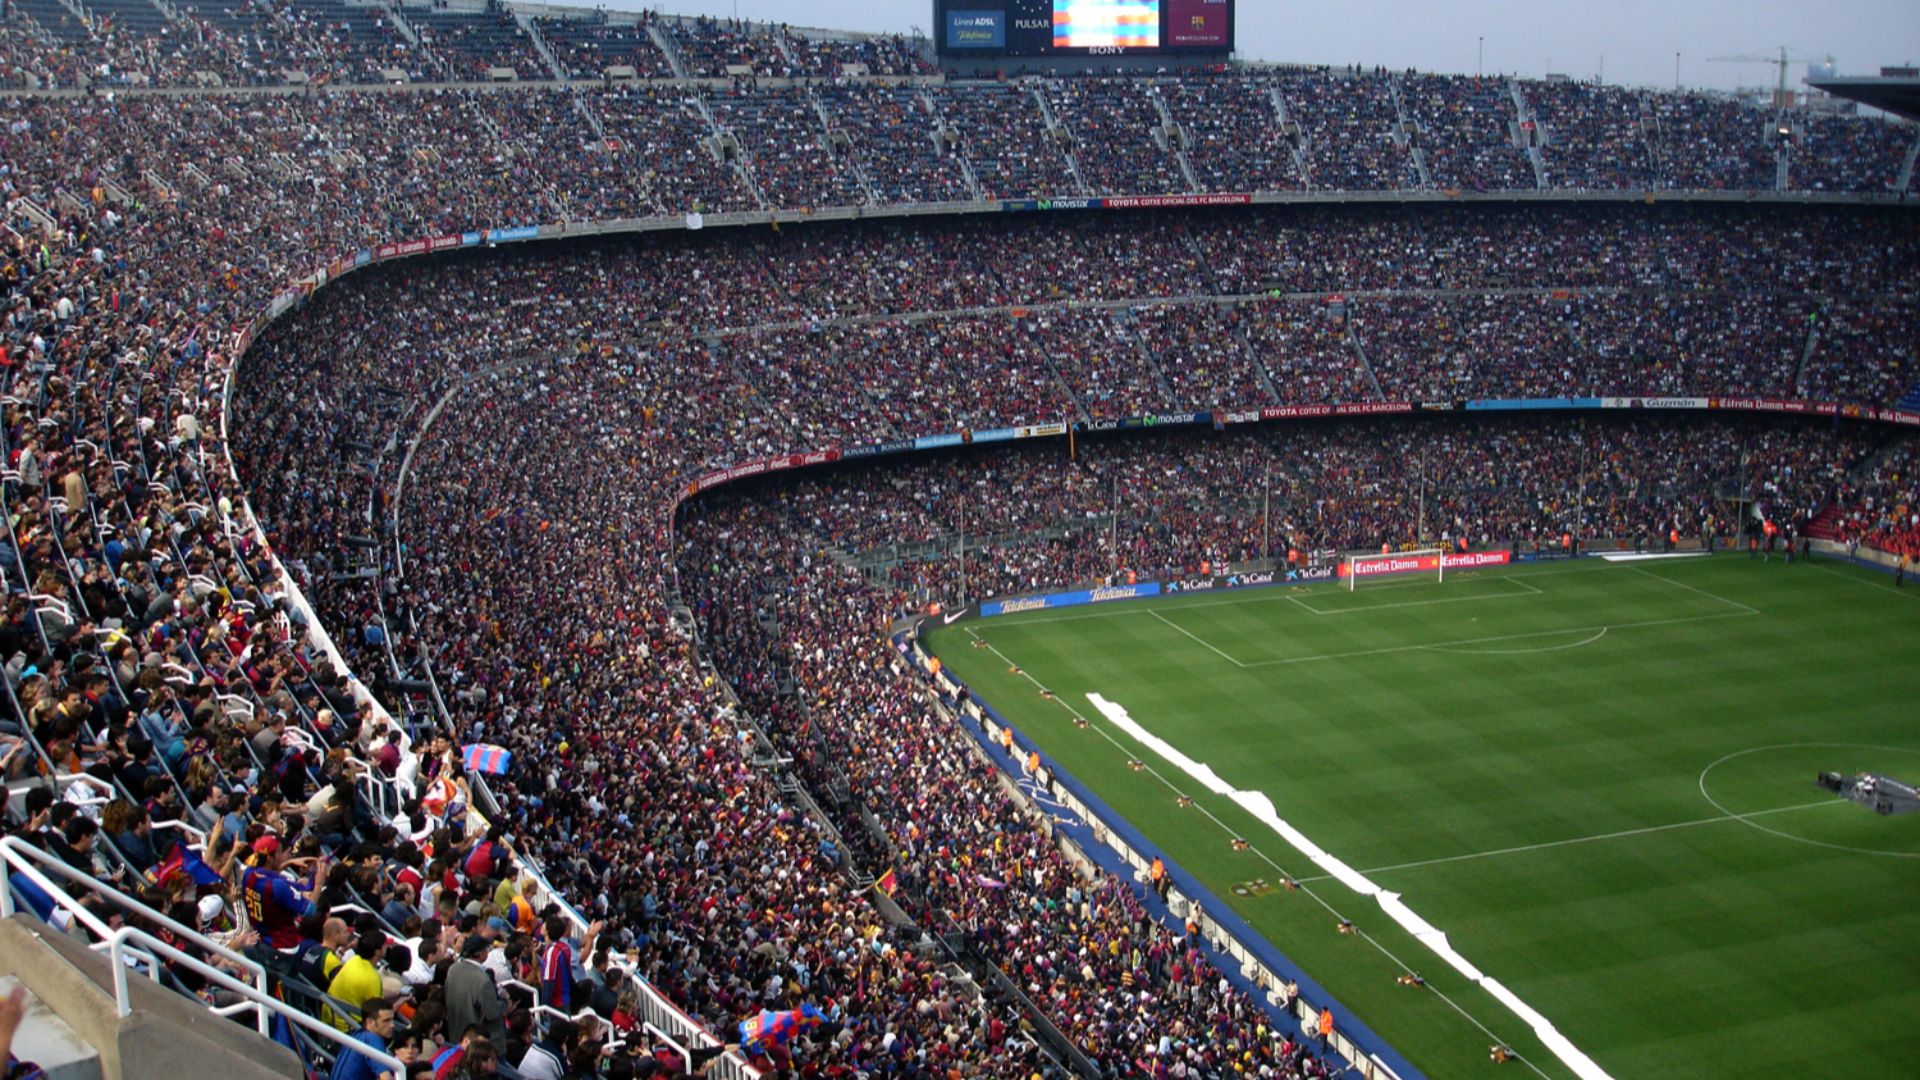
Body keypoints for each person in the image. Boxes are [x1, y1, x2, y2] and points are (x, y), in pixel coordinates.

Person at [329, 996, 400, 1080]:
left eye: (392, 1020)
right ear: (370, 1022)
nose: (392, 1025)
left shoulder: (355, 1036)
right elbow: (386, 1078)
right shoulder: (373, 1038)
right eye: (386, 1021)